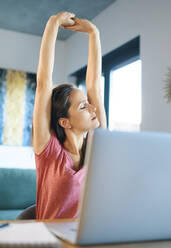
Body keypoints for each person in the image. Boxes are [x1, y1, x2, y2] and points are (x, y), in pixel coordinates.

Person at [32, 12, 107, 220]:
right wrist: (53, 23)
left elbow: (94, 87)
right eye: (83, 107)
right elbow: (43, 84)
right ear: (64, 122)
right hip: (49, 240)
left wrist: (94, 33)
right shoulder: (48, 150)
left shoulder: (96, 145)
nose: (93, 109)